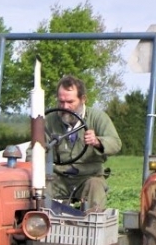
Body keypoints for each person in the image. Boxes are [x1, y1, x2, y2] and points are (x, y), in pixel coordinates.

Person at [44, 75, 122, 210]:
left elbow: (115, 143)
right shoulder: (49, 120)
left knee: (95, 186)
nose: (64, 107)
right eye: (61, 102)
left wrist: (98, 141)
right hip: (58, 178)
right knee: (36, 188)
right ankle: (38, 226)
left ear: (83, 99)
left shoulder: (97, 117)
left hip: (88, 176)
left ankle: (91, 225)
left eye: (70, 102)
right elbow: (35, 149)